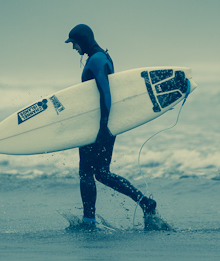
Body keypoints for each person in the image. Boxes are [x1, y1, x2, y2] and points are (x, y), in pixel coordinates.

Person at [65, 23, 159, 228]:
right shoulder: (103, 56)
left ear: (82, 40)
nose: (73, 48)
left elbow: (105, 91)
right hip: (105, 124)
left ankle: (88, 220)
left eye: (74, 43)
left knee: (86, 173)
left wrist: (102, 126)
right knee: (102, 173)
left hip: (98, 126)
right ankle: (145, 202)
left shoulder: (97, 60)